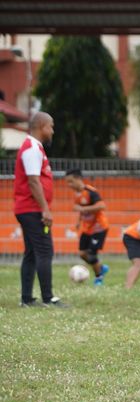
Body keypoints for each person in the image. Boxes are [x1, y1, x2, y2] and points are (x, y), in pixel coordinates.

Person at [14, 112, 66, 307]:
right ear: (42, 126)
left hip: (28, 209)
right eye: (51, 126)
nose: (52, 131)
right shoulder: (31, 149)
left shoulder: (35, 148)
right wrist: (45, 209)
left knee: (31, 253)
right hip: (32, 210)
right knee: (45, 251)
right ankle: (48, 298)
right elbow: (33, 181)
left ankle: (27, 299)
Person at [65, 168, 110, 286]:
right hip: (87, 228)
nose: (69, 185)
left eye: (71, 181)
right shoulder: (77, 195)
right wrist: (79, 221)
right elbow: (82, 210)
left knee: (91, 254)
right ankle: (101, 268)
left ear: (78, 179)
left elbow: (101, 206)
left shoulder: (90, 191)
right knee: (82, 254)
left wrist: (83, 209)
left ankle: (99, 277)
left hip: (99, 227)